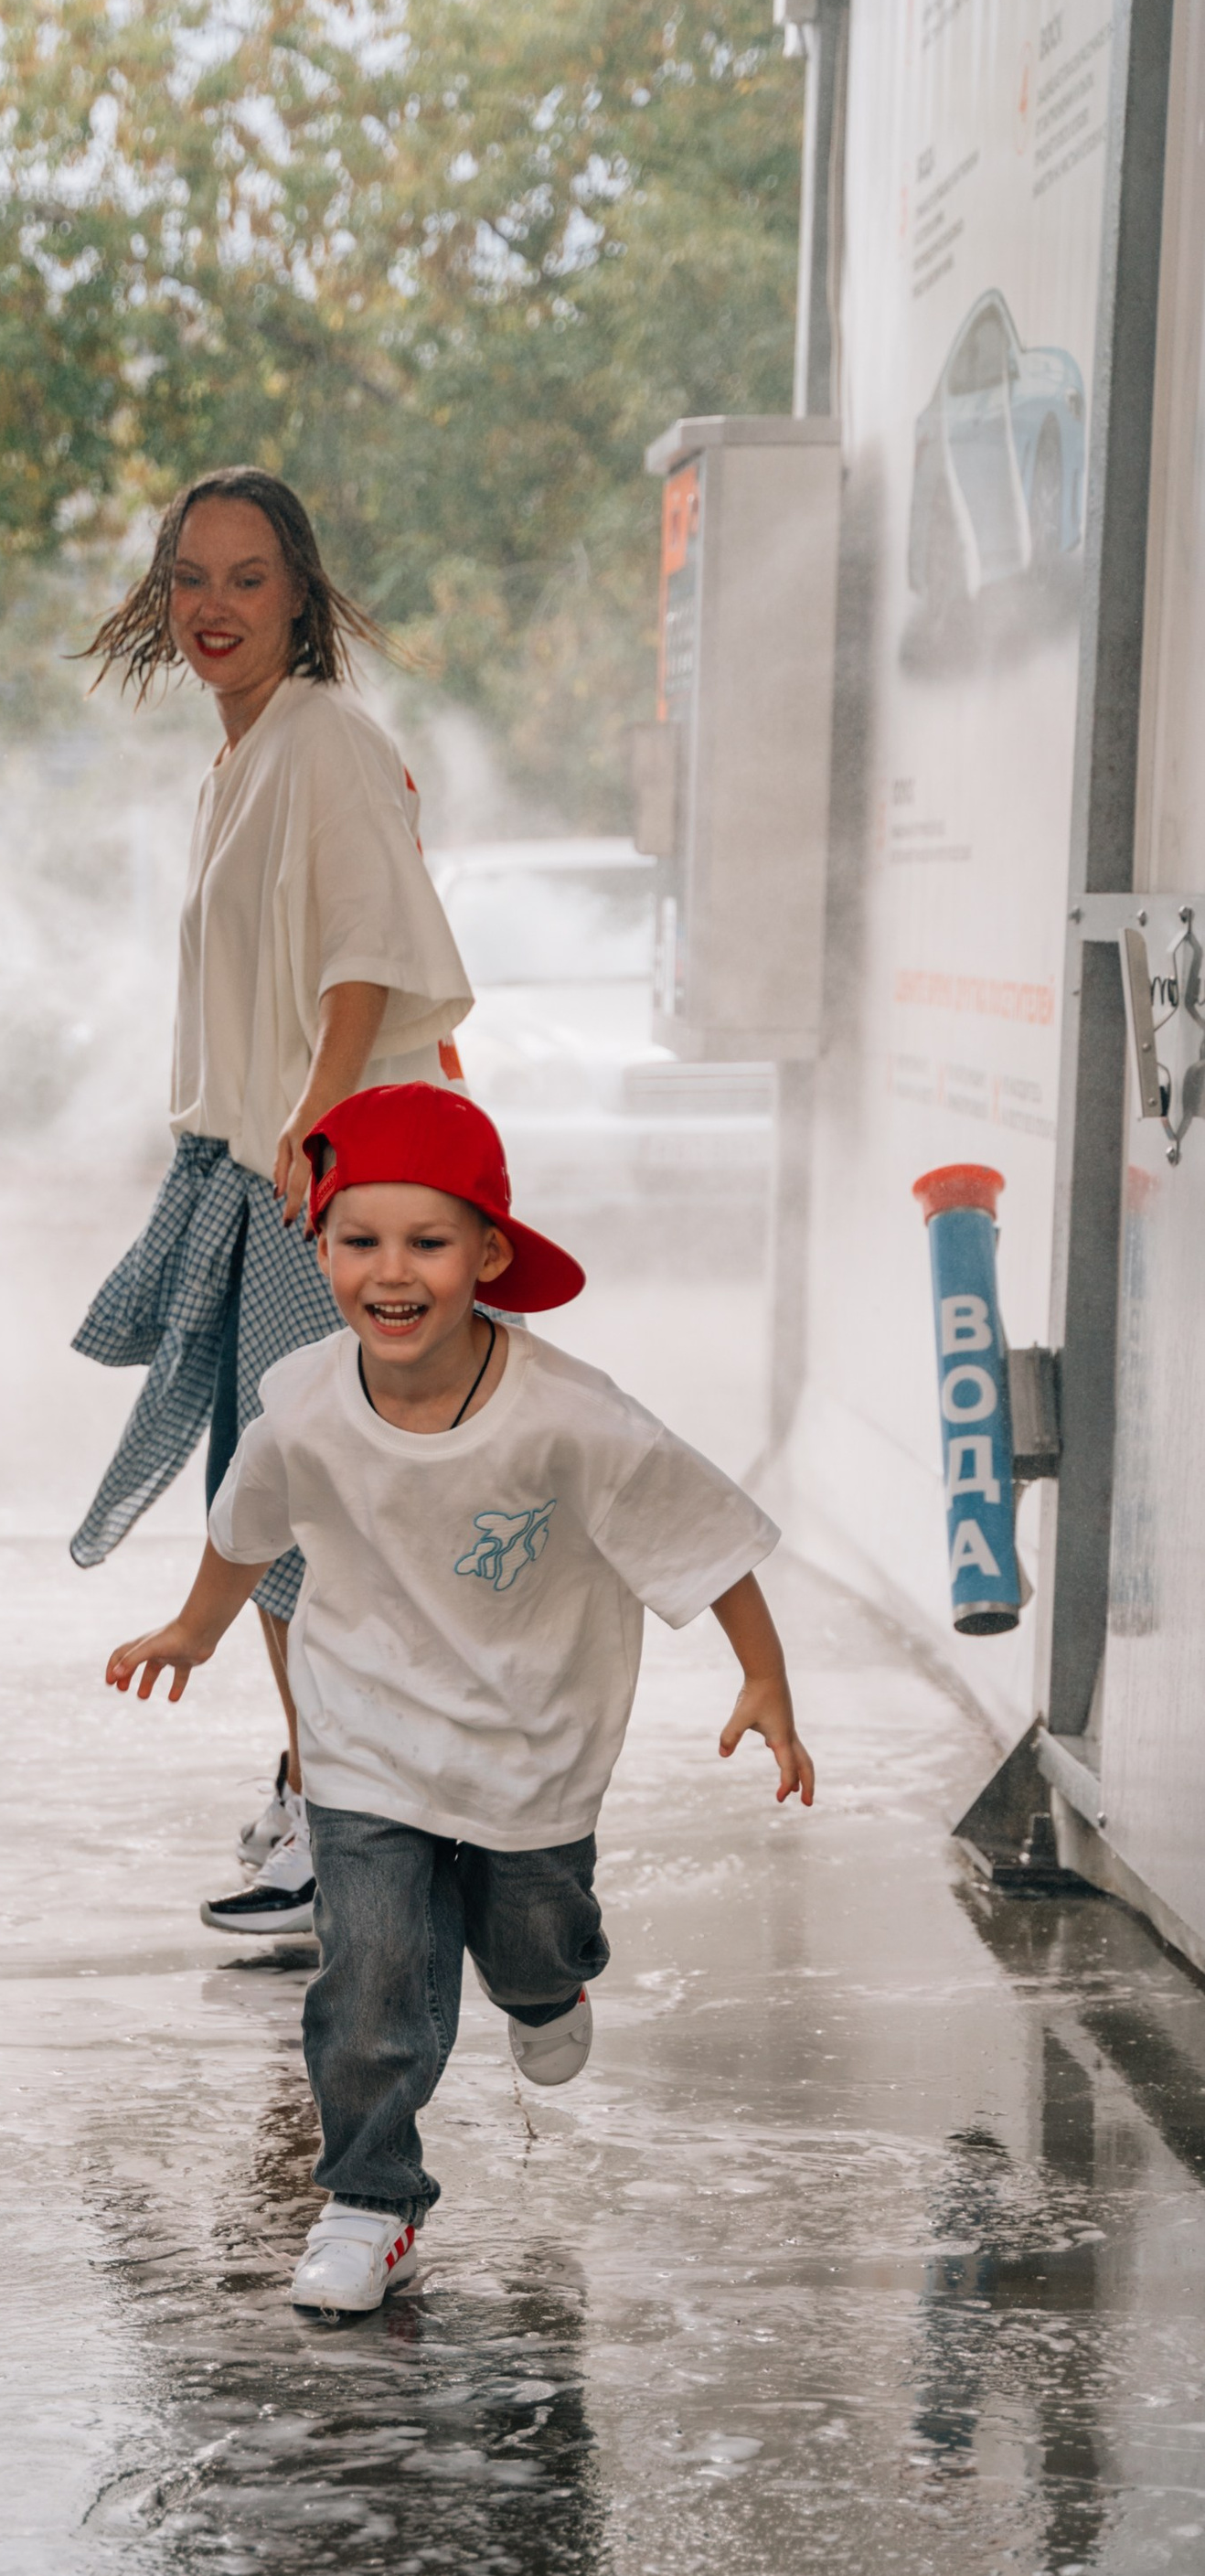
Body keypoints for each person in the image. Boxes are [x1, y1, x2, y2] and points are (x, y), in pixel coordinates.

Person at [104, 1080, 816, 2321]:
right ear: (317, 1247)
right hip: (364, 1732)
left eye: (427, 1242)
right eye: (359, 1240)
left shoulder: (570, 1417)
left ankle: (549, 1986)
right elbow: (247, 1530)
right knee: (371, 1962)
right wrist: (196, 1628)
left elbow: (701, 1539)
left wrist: (764, 1676)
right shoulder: (307, 1400)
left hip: (530, 1744)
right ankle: (370, 2203)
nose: (392, 1272)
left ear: (487, 1253)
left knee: (530, 1933)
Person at [69, 468, 474, 1940]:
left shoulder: (325, 742)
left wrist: (323, 1134)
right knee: (297, 1499)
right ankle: (335, 1808)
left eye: (246, 578)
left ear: (300, 592)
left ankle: (338, 1837)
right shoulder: (240, 761)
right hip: (287, 1169)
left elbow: (371, 950)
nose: (213, 607)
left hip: (331, 1176)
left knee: (306, 1510)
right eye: (190, 579)